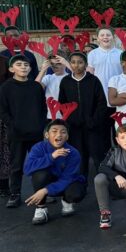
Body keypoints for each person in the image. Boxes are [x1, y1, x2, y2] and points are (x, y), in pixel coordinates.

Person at [1, 55, 47, 207]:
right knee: (16, 165)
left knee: (38, 165)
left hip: (35, 132)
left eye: (26, 64)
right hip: (16, 133)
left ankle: (40, 193)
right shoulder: (6, 87)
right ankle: (15, 194)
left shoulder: (35, 87)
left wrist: (41, 126)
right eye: (19, 64)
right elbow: (3, 111)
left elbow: (42, 108)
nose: (23, 67)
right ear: (11, 68)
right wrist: (12, 126)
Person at [22, 121, 87, 224]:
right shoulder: (38, 147)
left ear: (67, 136)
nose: (59, 135)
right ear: (47, 135)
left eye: (63, 132)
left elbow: (67, 179)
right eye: (54, 131)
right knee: (39, 174)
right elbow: (27, 169)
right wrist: (51, 157)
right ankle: (41, 208)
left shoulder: (73, 153)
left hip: (65, 183)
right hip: (48, 180)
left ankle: (67, 201)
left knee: (77, 192)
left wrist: (45, 190)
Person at [58, 52, 108, 176]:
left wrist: (94, 121)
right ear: (69, 64)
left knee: (98, 156)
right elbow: (62, 104)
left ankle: (107, 185)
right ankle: (80, 185)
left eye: (80, 62)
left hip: (93, 127)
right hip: (74, 128)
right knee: (79, 157)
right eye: (73, 62)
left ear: (85, 64)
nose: (76, 65)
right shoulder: (65, 81)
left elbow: (101, 103)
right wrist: (70, 120)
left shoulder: (93, 80)